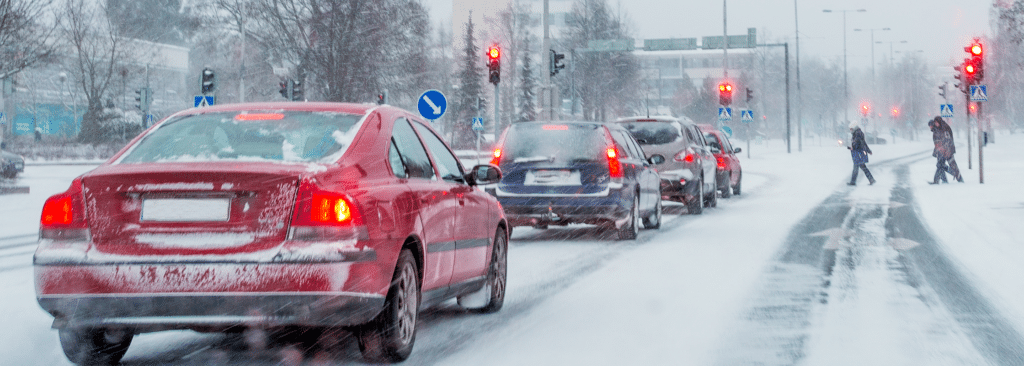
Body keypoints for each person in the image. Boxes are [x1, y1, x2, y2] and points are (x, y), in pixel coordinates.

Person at [928, 116, 963, 184]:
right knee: (940, 165)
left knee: (952, 165)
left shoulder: (944, 128)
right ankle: (941, 180)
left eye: (936, 122)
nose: (935, 124)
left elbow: (948, 139)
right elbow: (937, 141)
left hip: (947, 150)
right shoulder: (938, 129)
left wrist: (946, 149)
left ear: (939, 122)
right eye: (935, 123)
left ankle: (958, 178)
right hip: (941, 151)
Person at [847, 120, 875, 186]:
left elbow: (857, 143)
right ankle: (871, 179)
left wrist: (852, 147)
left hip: (858, 153)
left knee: (856, 168)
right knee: (863, 167)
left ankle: (853, 182)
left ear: (854, 128)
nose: (850, 130)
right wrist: (868, 150)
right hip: (860, 153)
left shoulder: (857, 134)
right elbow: (864, 143)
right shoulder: (858, 133)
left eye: (851, 129)